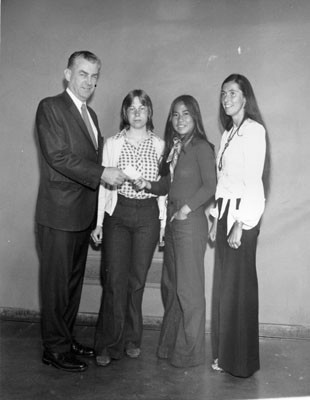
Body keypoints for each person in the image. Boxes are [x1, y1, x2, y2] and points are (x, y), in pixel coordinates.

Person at [35, 50, 127, 373]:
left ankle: (65, 339)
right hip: (58, 216)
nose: (89, 81)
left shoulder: (92, 116)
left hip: (80, 216)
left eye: (94, 76)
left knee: (71, 285)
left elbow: (91, 161)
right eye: (82, 74)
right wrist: (103, 172)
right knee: (57, 285)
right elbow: (58, 157)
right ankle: (54, 350)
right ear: (67, 74)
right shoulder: (50, 108)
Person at [135, 95, 216, 367]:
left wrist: (186, 209)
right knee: (171, 287)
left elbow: (210, 186)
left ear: (195, 117)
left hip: (189, 223)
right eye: (175, 114)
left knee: (189, 290)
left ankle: (189, 354)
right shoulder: (176, 147)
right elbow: (167, 185)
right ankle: (170, 347)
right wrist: (148, 184)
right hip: (172, 222)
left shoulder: (202, 148)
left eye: (186, 114)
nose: (180, 119)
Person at [91, 89, 165, 367]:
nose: (137, 113)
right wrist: (99, 222)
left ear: (149, 112)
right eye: (131, 108)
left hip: (147, 215)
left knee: (136, 281)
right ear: (125, 113)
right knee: (114, 280)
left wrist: (161, 224)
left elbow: (164, 191)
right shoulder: (112, 143)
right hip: (118, 214)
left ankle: (133, 338)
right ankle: (109, 343)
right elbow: (103, 186)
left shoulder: (160, 146)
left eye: (142, 107)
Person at [209, 73, 268, 378]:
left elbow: (254, 182)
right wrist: (215, 217)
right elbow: (225, 182)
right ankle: (225, 357)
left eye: (233, 93)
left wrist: (240, 224)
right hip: (225, 214)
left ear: (246, 97)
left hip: (242, 217)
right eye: (223, 94)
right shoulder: (228, 134)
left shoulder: (254, 131)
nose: (227, 98)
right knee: (225, 289)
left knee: (239, 288)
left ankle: (241, 363)